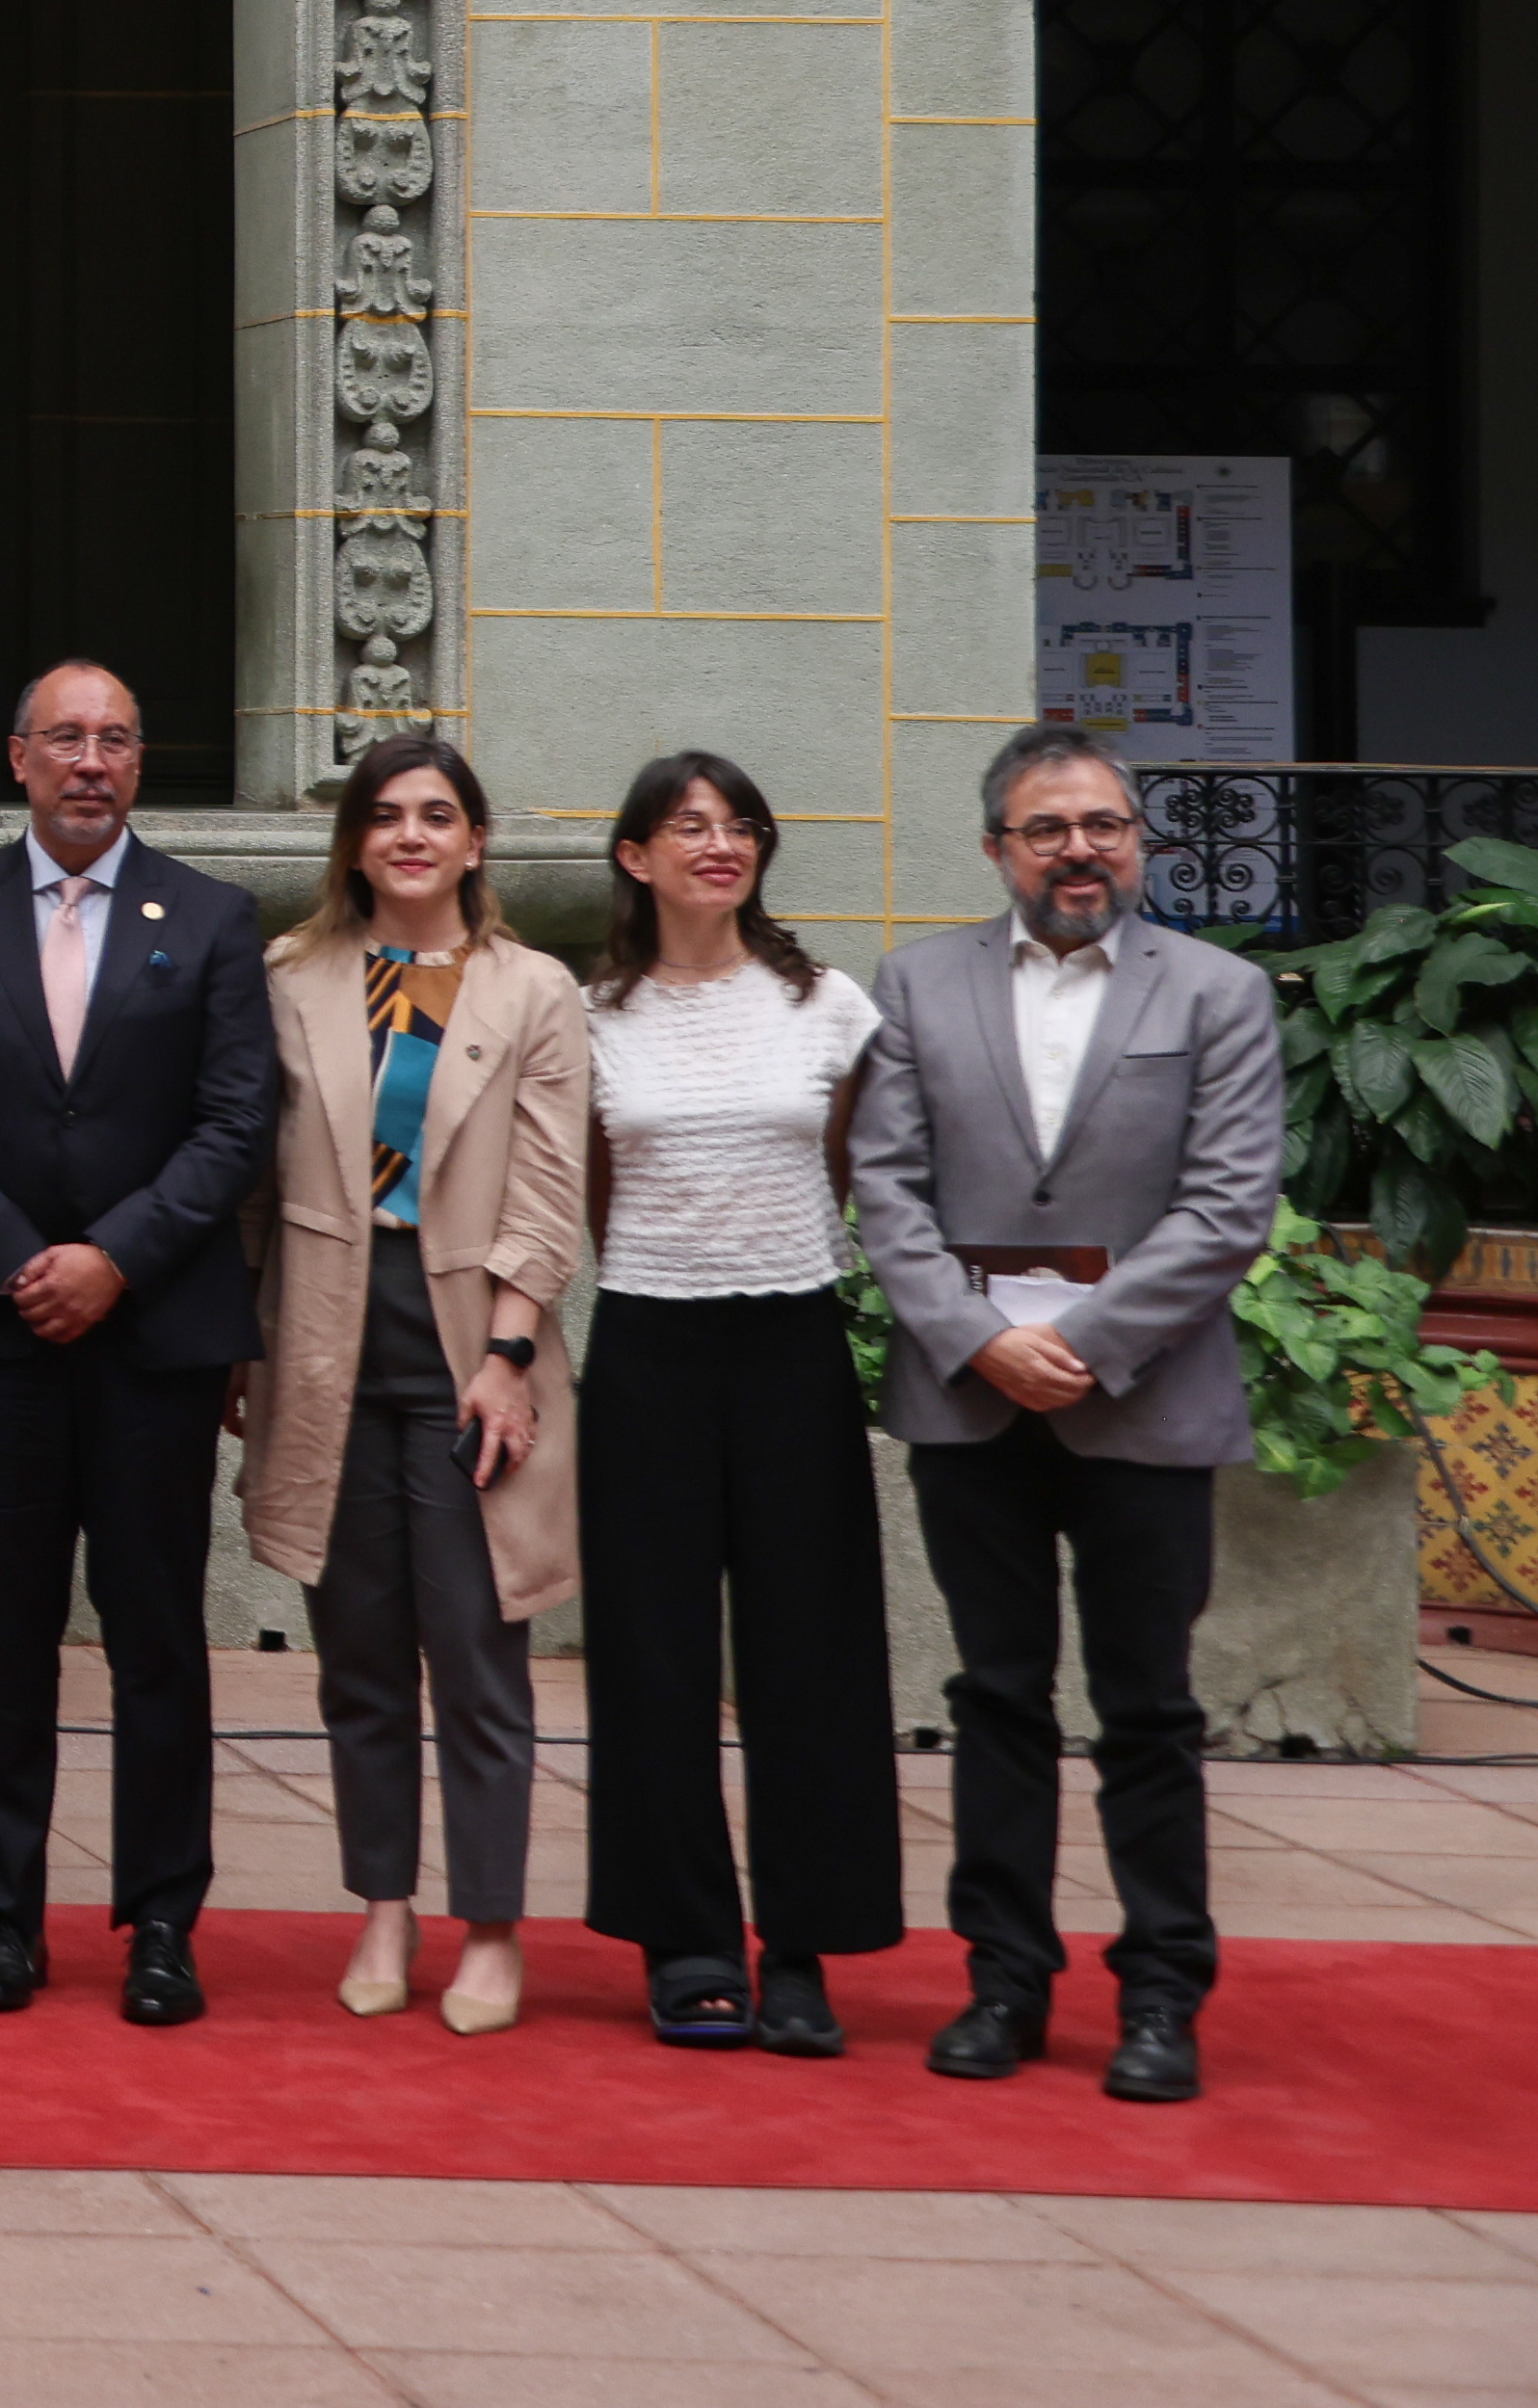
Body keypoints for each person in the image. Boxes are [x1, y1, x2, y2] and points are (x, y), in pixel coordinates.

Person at [852, 720, 1285, 2106]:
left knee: (1148, 1707)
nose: (1079, 850)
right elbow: (887, 1193)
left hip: (1144, 1402)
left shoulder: (1217, 993)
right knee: (994, 1696)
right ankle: (1003, 1981)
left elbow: (1228, 1208)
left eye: (1103, 825)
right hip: (972, 1405)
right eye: (1048, 829)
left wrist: (1084, 1346)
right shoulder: (917, 987)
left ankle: (1162, 1992)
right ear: (998, 850)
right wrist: (985, 1344)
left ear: (1137, 842)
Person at [0, 656, 273, 2027]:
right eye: (66, 738)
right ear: (20, 756)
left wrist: (115, 1259)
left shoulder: (214, 919)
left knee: (158, 1636)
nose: (91, 760)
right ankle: (6, 1919)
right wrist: (16, 1263)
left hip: (154, 1334)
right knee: (7, 1633)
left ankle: (162, 1923)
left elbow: (235, 1124)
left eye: (115, 738)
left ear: (139, 761)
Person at [237, 731, 590, 2036]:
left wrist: (508, 1352)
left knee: (479, 1648)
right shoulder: (292, 976)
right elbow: (256, 1185)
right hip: (329, 1331)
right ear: (354, 842)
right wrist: (243, 1344)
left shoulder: (533, 988)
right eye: (384, 816)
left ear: (475, 839)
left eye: (437, 815)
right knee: (360, 1656)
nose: (410, 837)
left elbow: (551, 1184)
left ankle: (491, 1924)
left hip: (466, 1335)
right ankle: (382, 1906)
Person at [578, 748, 904, 2057]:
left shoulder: (828, 1005)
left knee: (810, 1653)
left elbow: (868, 1170)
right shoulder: (592, 1012)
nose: (720, 845)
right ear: (634, 857)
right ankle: (689, 1944)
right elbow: (589, 1188)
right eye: (688, 826)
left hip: (791, 1344)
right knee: (652, 1658)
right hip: (650, 1343)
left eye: (740, 826)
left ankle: (809, 1948)